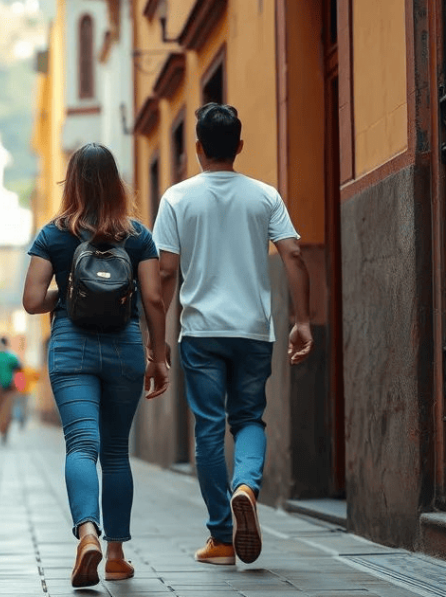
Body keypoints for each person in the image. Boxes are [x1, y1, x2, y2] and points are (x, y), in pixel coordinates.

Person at [153, 103, 313, 566]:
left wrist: (157, 340)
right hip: (253, 331)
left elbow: (165, 272)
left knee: (206, 432)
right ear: (239, 147)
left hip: (200, 332)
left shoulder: (177, 199)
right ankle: (246, 485)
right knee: (248, 420)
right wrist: (302, 320)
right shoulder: (264, 196)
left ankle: (222, 537)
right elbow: (294, 254)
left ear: (198, 148)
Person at [23, 142, 169, 587]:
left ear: (73, 181)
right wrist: (158, 356)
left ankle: (87, 531)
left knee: (81, 445)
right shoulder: (138, 234)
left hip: (71, 345)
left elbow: (31, 301)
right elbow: (155, 299)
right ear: (115, 182)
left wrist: (67, 294)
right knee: (115, 452)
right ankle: (116, 555)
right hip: (125, 346)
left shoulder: (53, 234)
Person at [0, 337, 23, 443]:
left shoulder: (10, 357)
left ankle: (4, 431)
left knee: (4, 411)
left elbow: (19, 370)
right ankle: (2, 431)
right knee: (1, 412)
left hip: (7, 388)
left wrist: (19, 385)